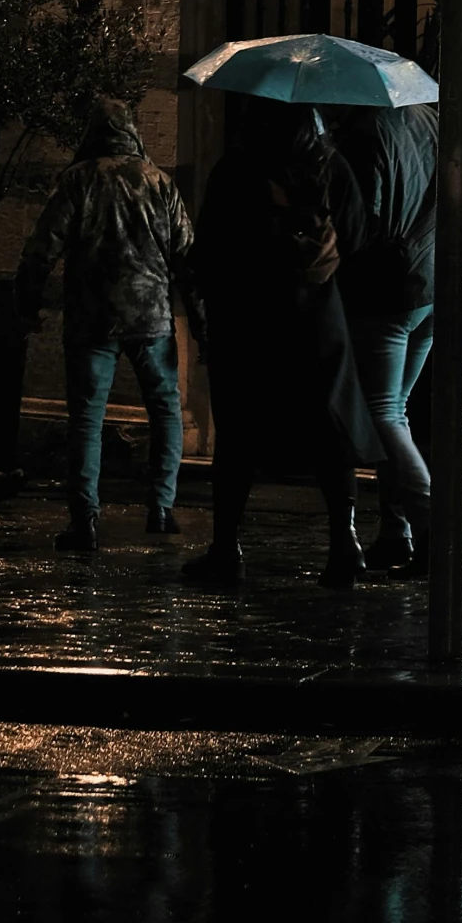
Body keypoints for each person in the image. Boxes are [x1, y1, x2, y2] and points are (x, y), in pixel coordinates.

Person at [182, 98, 381, 589]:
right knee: (329, 429)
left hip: (249, 319)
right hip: (318, 318)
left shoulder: (237, 168)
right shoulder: (331, 166)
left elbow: (208, 248)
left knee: (239, 435)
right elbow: (356, 235)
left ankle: (226, 547)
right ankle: (344, 541)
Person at [16, 96, 197, 553]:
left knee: (87, 419)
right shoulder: (161, 183)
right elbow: (188, 258)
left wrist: (28, 301)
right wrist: (199, 319)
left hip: (91, 319)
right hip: (152, 319)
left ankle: (85, 519)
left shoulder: (78, 181)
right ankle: (161, 508)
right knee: (165, 411)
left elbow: (43, 247)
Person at [330, 101, 437, 574]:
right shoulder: (430, 119)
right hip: (430, 283)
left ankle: (433, 530)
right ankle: (397, 532)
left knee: (384, 413)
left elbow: (361, 225)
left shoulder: (364, 133)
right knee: (398, 409)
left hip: (389, 288)